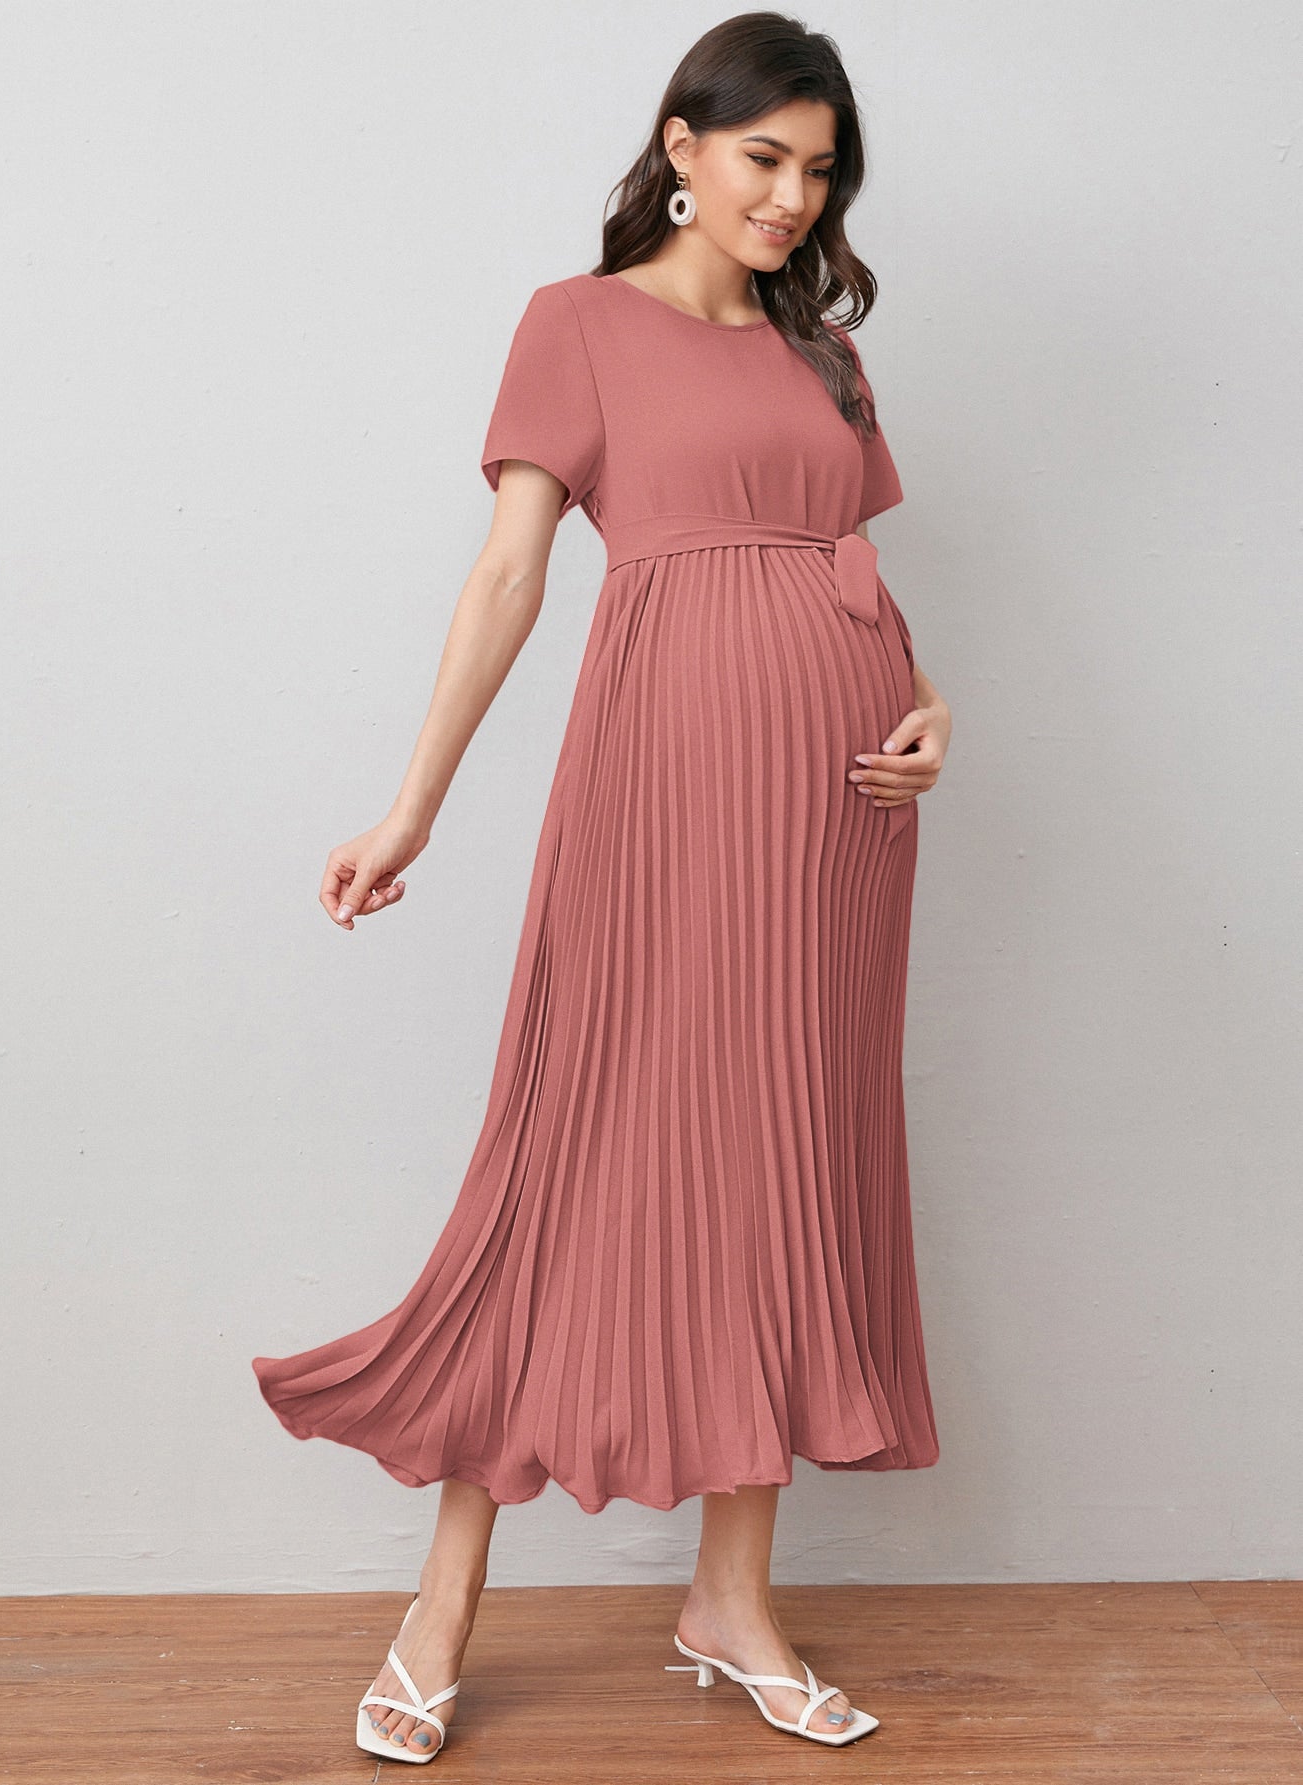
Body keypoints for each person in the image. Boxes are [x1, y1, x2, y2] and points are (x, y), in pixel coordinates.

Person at [252, 11, 952, 1763]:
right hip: (668, 794)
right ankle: (441, 1605)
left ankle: (732, 1596)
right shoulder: (576, 323)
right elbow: (509, 573)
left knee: (786, 1162)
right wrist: (413, 806)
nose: (793, 197)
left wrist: (933, 707)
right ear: (683, 145)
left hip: (842, 827)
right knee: (586, 1154)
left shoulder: (827, 357)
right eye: (766, 157)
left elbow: (850, 564)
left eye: (820, 170)